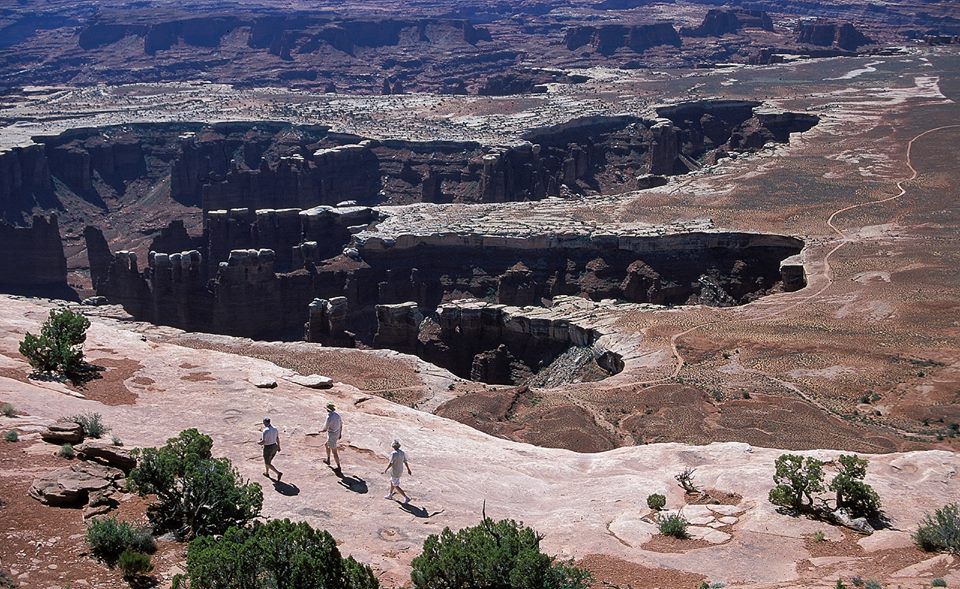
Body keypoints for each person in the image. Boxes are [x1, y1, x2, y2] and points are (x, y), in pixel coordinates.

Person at [320, 403, 342, 470]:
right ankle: (328, 459)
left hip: (332, 435)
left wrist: (320, 431)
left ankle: (338, 467)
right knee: (326, 445)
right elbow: (341, 424)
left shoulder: (329, 417)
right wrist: (340, 433)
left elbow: (325, 429)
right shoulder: (337, 415)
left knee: (334, 452)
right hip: (337, 432)